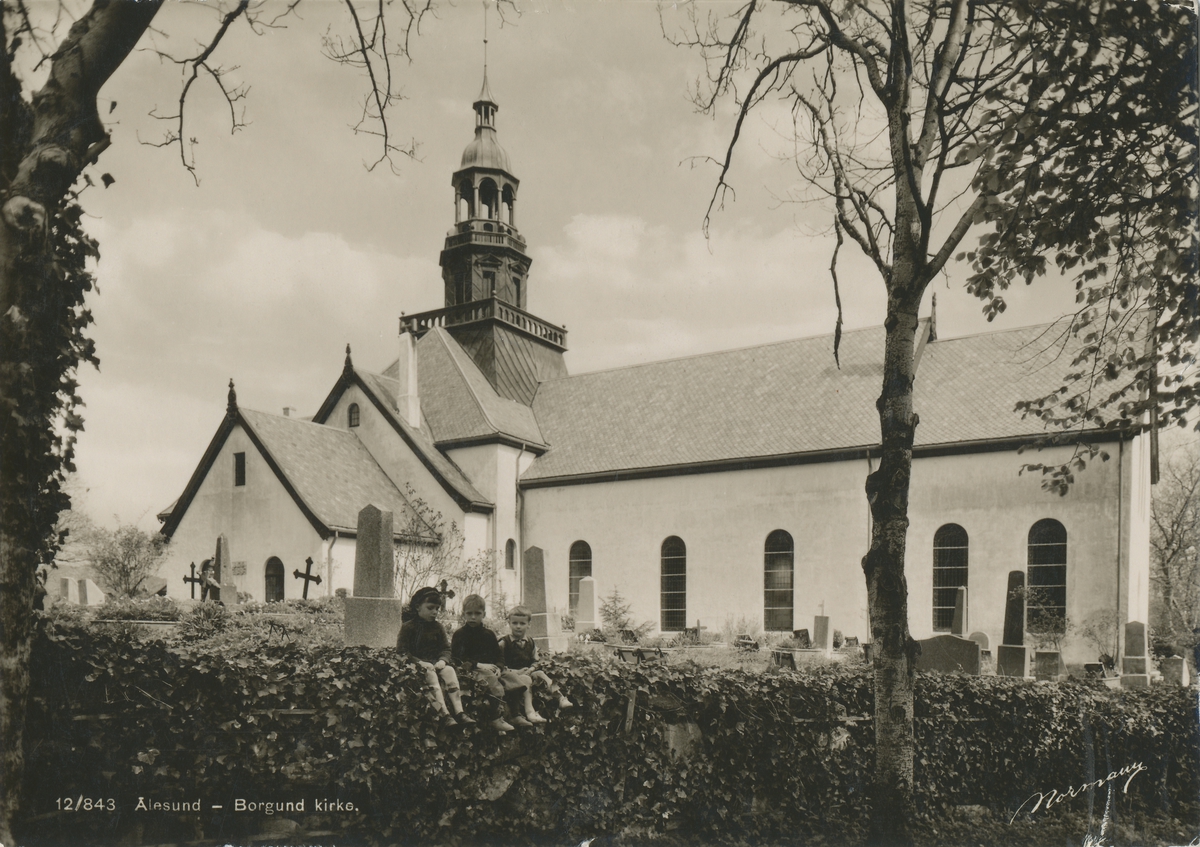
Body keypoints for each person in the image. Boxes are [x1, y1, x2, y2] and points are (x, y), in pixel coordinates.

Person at [396, 586, 473, 728]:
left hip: (435, 664)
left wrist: (443, 660)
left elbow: (445, 648)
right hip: (418, 666)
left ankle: (459, 712)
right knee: (430, 675)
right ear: (418, 607)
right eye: (430, 608)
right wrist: (419, 662)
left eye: (437, 608)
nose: (434, 612)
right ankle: (444, 714)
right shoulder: (408, 627)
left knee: (449, 671)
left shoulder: (438, 627)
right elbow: (402, 651)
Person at [451, 594, 523, 731]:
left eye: (477, 613)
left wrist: (499, 668)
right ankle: (496, 718)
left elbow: (498, 655)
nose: (473, 617)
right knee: (490, 679)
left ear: (484, 614)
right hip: (472, 670)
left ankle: (515, 713)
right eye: (469, 613)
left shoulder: (489, 634)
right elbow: (458, 658)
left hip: (490, 669)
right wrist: (479, 665)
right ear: (463, 614)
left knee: (513, 677)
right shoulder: (460, 634)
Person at [499, 605, 574, 721]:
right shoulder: (504, 643)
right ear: (509, 623)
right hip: (511, 675)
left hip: (527, 672)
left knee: (541, 674)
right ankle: (530, 712)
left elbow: (535, 661)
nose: (518, 627)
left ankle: (560, 697)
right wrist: (516, 672)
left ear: (529, 625)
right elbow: (499, 664)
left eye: (522, 624)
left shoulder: (530, 642)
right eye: (514, 623)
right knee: (527, 679)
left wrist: (531, 669)